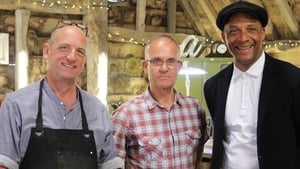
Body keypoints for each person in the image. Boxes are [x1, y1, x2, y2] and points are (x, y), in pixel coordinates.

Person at [0, 21, 123, 169]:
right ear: (47, 51)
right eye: (64, 48)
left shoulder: (98, 110)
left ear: (84, 59)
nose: (72, 57)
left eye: (80, 51)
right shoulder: (15, 105)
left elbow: (110, 165)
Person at [204, 1, 300, 169]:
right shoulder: (213, 86)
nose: (243, 38)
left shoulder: (291, 79)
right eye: (233, 31)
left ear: (263, 33)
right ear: (223, 37)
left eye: (251, 29)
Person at [112, 34, 208, 169]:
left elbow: (198, 156)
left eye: (171, 61)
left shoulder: (195, 108)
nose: (164, 68)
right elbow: (113, 165)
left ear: (179, 66)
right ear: (145, 66)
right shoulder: (126, 114)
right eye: (157, 61)